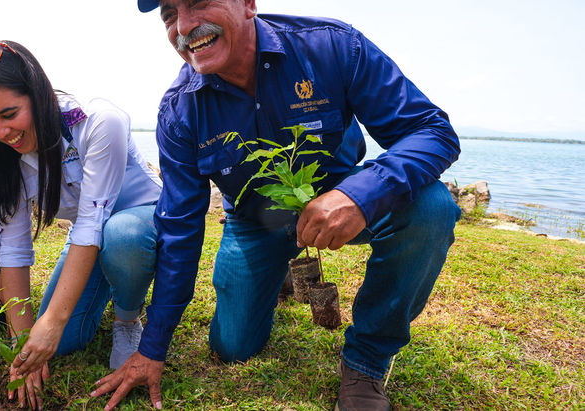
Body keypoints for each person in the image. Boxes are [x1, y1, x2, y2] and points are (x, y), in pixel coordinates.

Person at [91, 1, 462, 410]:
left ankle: (366, 364)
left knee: (431, 206)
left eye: (198, 2)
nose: (184, 26)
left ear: (248, 4)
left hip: (338, 192)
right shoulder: (180, 110)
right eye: (168, 15)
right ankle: (279, 270)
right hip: (254, 221)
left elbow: (432, 130)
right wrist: (152, 348)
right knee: (232, 347)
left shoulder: (330, 47)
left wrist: (360, 194)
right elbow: (180, 231)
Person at [0, 41, 163, 408]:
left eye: (9, 114)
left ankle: (128, 319)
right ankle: (104, 286)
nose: (0, 132)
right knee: (58, 343)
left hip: (136, 220)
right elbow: (14, 243)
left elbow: (92, 222)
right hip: (88, 236)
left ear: (37, 93)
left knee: (121, 236)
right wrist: (25, 347)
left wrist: (49, 322)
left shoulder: (98, 121)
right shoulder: (3, 153)